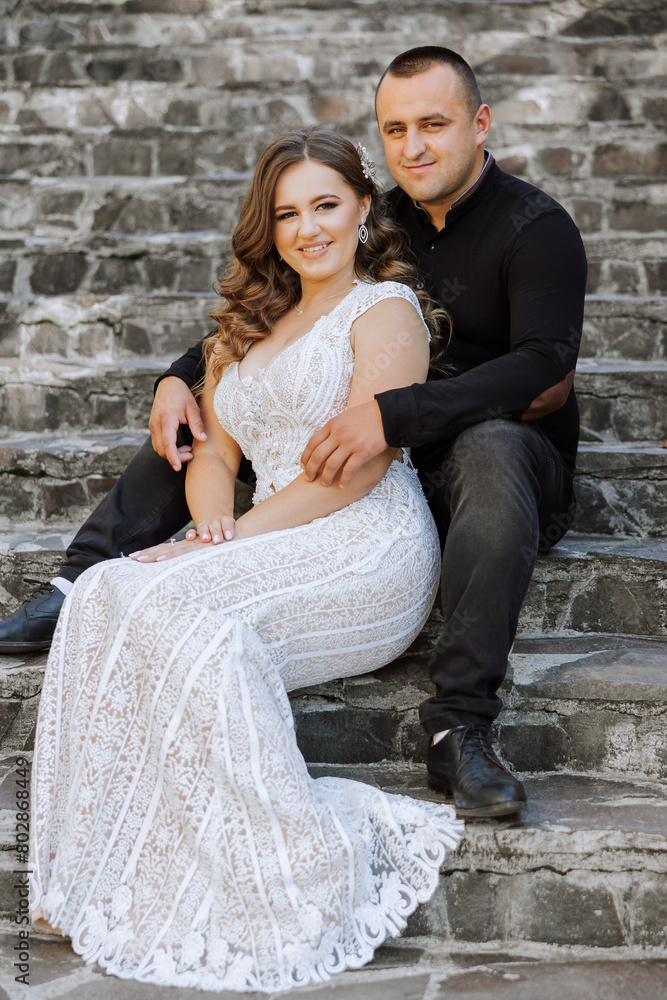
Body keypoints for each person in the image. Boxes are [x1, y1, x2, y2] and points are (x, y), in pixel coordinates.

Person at [7, 45, 586, 820]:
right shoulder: (377, 218)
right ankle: (80, 576)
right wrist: (179, 375)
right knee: (206, 412)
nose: (413, 147)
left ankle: (459, 726)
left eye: (433, 125)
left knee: (492, 447)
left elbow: (545, 368)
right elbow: (283, 307)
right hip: (364, 443)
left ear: (479, 125)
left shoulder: (534, 226)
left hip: (492, 457)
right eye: (395, 129)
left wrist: (394, 415)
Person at [29, 128, 463, 994]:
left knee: (177, 605)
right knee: (107, 588)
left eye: (326, 206)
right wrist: (212, 528)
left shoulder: (383, 311)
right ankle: (113, 862)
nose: (308, 230)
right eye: (287, 213)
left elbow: (360, 467)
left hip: (362, 541)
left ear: (363, 208)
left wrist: (228, 544)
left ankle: (285, 862)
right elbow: (216, 459)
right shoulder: (244, 327)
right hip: (266, 528)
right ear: (266, 228)